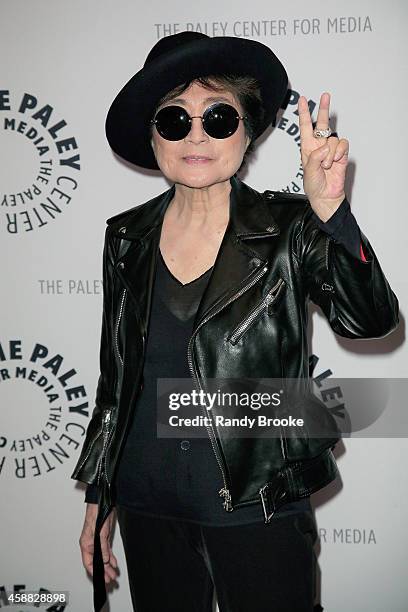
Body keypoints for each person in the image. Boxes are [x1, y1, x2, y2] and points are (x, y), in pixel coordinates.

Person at [71, 32, 399, 612]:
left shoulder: (290, 227)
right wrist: (100, 497)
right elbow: (114, 381)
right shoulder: (126, 237)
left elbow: (370, 322)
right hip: (147, 503)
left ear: (246, 132)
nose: (196, 134)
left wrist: (334, 218)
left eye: (218, 117)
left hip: (258, 502)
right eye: (174, 121)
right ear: (154, 137)